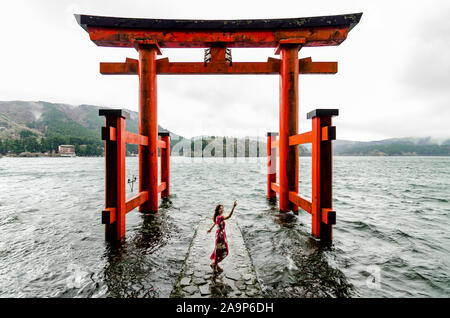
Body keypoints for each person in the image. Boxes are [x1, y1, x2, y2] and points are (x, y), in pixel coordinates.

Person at [207, 200, 237, 273]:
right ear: (218, 210)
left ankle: (215, 265)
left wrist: (210, 229)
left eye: (222, 208)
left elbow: (215, 223)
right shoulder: (220, 217)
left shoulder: (218, 217)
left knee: (220, 250)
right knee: (222, 250)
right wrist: (233, 207)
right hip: (220, 236)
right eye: (220, 208)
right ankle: (214, 265)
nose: (222, 209)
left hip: (220, 235)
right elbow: (229, 216)